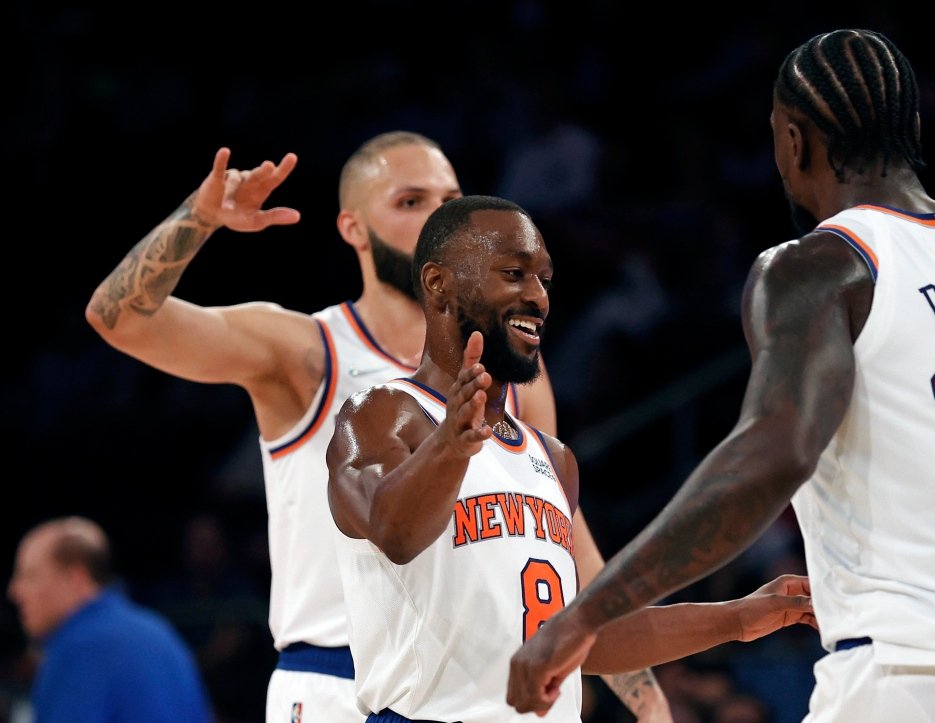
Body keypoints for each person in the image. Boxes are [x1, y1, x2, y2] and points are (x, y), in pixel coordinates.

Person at [507, 28, 935, 722]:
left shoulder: (817, 266)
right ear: (913, 130)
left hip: (923, 675)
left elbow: (769, 460)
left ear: (793, 143)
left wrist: (586, 614)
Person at [84, 132, 671, 722]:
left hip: (476, 694)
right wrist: (199, 218)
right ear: (353, 228)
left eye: (449, 199)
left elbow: (566, 546)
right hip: (335, 685)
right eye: (410, 201)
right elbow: (120, 319)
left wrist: (648, 702)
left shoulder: (519, 379)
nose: (436, 215)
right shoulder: (308, 349)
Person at [326, 194, 816, 722]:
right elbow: (395, 532)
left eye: (544, 280)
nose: (538, 297)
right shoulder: (381, 414)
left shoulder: (554, 459)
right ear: (438, 283)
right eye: (514, 274)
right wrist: (451, 446)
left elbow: (588, 638)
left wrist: (739, 618)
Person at [8, 516, 214, 722]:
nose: (14, 591)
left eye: (30, 576)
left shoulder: (79, 648)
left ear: (75, 578)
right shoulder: (160, 632)